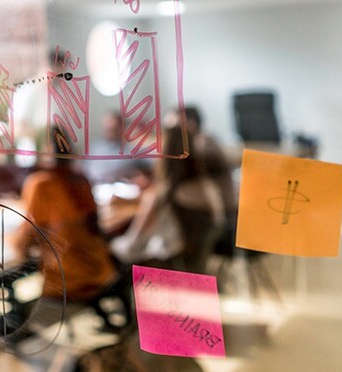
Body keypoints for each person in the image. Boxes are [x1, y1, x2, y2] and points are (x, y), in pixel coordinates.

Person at [13, 127, 118, 303]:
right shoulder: (80, 178)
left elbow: (24, 241)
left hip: (69, 280)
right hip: (101, 270)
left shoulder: (41, 183)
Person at [111, 125, 225, 273]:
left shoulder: (160, 196)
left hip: (168, 265)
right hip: (194, 262)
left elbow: (132, 246)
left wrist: (111, 247)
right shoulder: (206, 186)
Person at [81, 111, 153, 186]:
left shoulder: (132, 149)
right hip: (93, 186)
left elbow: (153, 165)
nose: (110, 132)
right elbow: (83, 168)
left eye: (114, 129)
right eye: (107, 129)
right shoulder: (96, 146)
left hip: (122, 187)